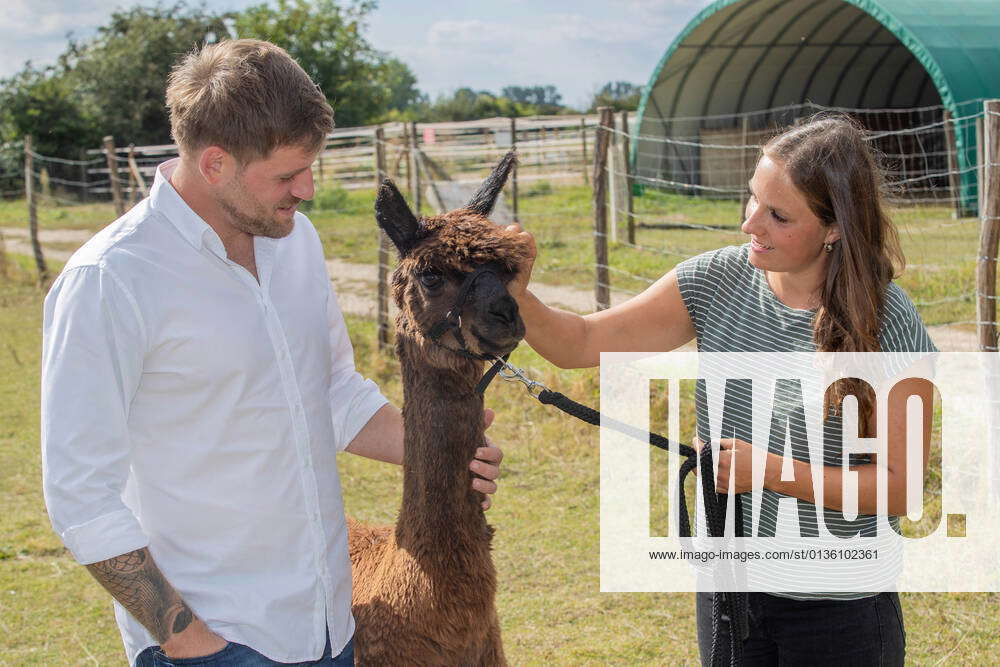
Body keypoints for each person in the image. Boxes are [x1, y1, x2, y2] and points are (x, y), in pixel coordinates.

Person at [41, 39, 503, 666]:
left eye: (309, 168)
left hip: (327, 629)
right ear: (214, 164)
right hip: (215, 642)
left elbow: (334, 388)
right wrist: (191, 642)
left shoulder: (295, 243)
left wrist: (441, 455)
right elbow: (80, 495)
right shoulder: (110, 281)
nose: (307, 190)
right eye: (287, 176)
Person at [505, 115, 935, 665]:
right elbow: (583, 343)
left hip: (842, 609)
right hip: (731, 591)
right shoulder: (714, 281)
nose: (750, 223)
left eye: (778, 215)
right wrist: (518, 294)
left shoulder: (889, 323)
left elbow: (902, 488)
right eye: (752, 199)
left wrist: (770, 472)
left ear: (834, 229)